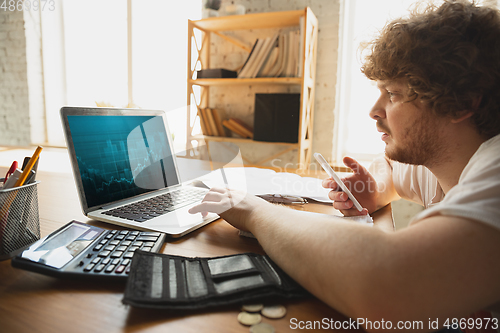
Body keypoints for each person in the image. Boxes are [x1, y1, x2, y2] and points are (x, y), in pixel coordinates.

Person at [189, 1, 500, 331]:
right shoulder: (446, 157)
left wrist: (253, 210)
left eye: (392, 94)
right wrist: (376, 189)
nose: (374, 110)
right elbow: (391, 168)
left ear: (463, 103)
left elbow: (388, 287)